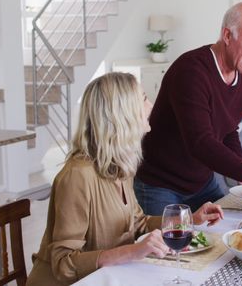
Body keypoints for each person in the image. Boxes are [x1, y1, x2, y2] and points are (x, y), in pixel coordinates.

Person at [27, 73, 224, 286]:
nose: (151, 105)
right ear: (123, 114)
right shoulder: (78, 176)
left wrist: (189, 220)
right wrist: (133, 251)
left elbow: (138, 223)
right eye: (144, 98)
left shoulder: (119, 165)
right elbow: (64, 264)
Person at [134, 2, 242, 215]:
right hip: (161, 185)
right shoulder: (191, 72)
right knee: (166, 248)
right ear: (227, 36)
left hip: (201, 184)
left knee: (227, 236)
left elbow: (228, 130)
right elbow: (200, 142)